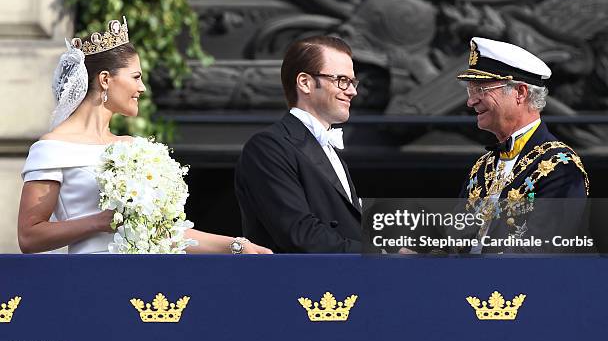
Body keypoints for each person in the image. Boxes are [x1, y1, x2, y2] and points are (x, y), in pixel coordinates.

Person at [17, 17, 272, 255]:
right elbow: (29, 236)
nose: (142, 87)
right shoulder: (53, 148)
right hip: (89, 278)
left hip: (147, 278)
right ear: (105, 79)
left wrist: (236, 245)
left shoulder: (132, 148)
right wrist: (100, 222)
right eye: (136, 77)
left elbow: (165, 233)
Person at [455, 37, 592, 253]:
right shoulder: (482, 166)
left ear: (520, 93)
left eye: (481, 90)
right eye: (471, 91)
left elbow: (539, 254)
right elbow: (456, 242)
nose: (471, 101)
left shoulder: (560, 165)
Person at [234, 35, 362, 253]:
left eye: (352, 82)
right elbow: (300, 234)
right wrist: (379, 253)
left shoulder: (329, 150)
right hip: (300, 285)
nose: (352, 91)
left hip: (346, 282)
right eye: (342, 80)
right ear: (305, 83)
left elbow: (348, 226)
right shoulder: (267, 147)